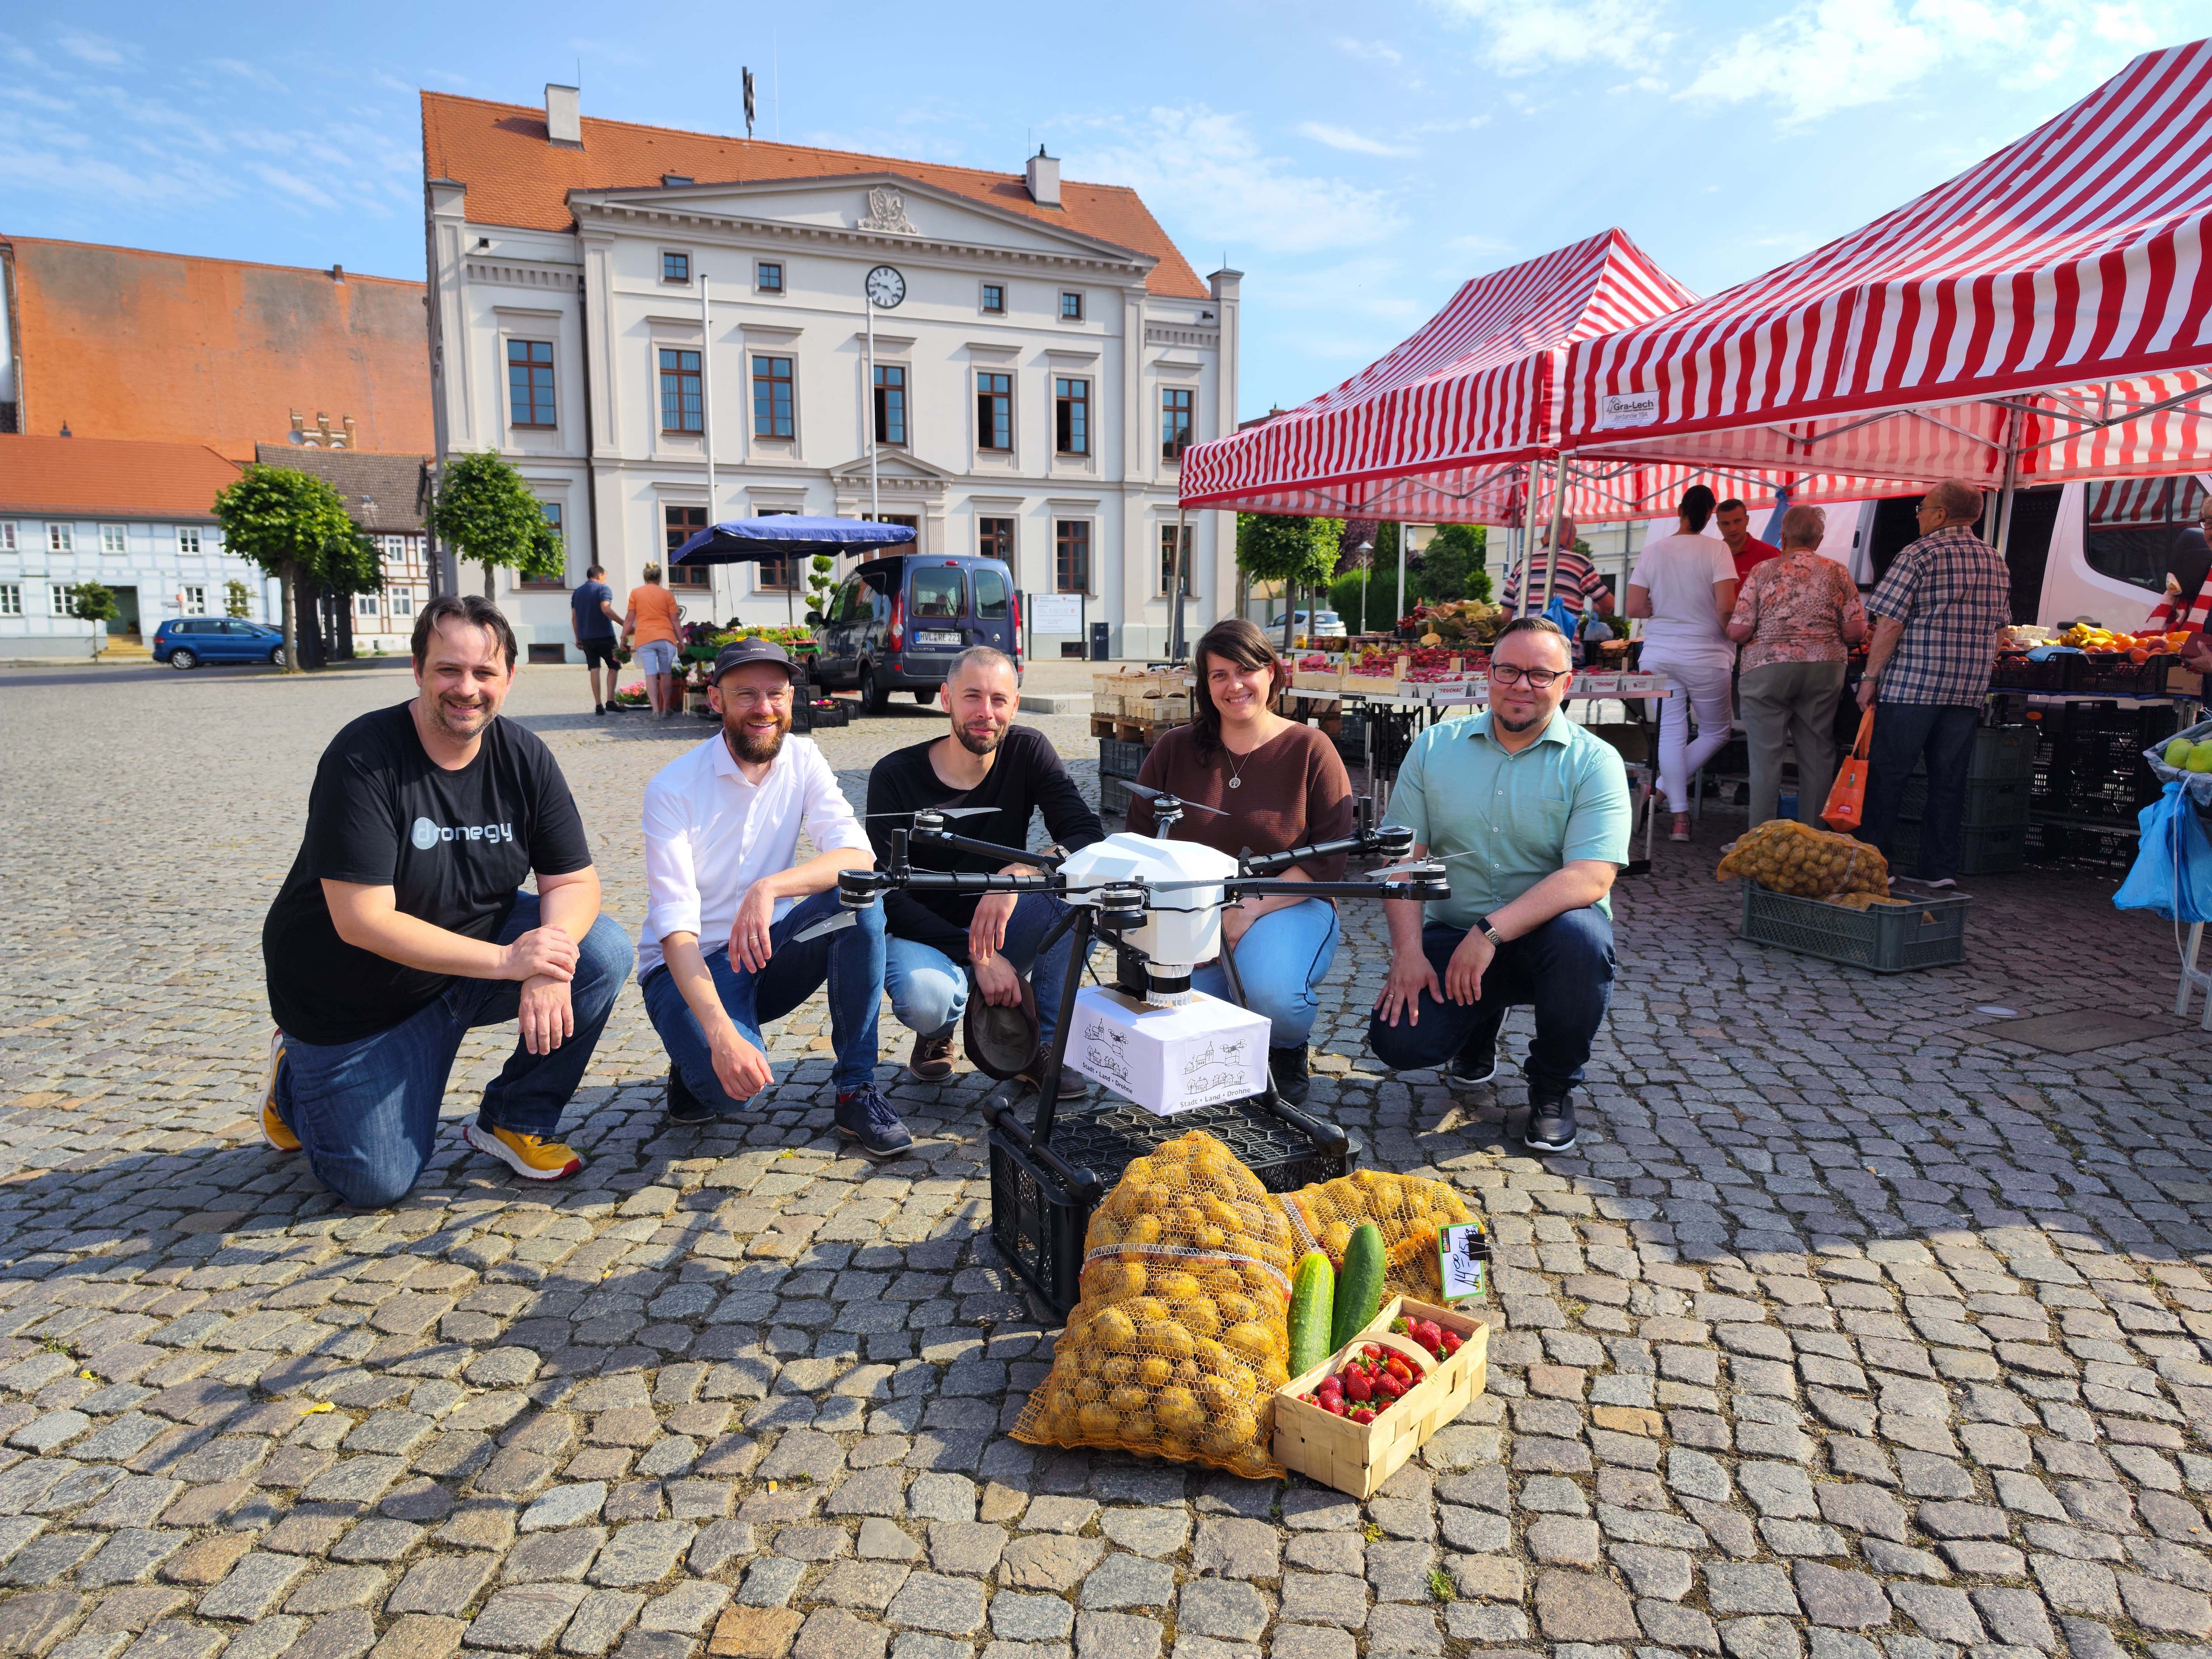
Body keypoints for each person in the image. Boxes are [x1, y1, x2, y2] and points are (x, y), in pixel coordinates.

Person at [259, 595, 634, 1206]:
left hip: (471, 955)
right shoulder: (363, 758)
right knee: (376, 1182)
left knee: (601, 949)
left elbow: (573, 881)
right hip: (358, 998)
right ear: (417, 670)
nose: (467, 689)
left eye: (485, 672)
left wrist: (548, 962)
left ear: (509, 678)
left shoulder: (523, 755)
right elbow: (362, 920)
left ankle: (517, 1119)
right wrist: (513, 964)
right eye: (448, 670)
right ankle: (294, 1082)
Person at [1368, 616, 1630, 1154]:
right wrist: (1409, 952)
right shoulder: (1435, 748)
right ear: (1487, 674)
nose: (1521, 685)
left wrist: (1489, 933)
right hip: (1454, 930)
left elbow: (1591, 875)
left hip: (1547, 942)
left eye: (1540, 674)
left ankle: (1554, 1086)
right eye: (1508, 670)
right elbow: (1403, 858)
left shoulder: (1595, 762)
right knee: (1399, 1042)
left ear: (1566, 683)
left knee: (1584, 940)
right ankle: (1480, 1019)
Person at [637, 637, 907, 1155]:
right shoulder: (673, 789)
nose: (764, 709)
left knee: (860, 902)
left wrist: (771, 888)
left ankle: (856, 1089)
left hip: (767, 948)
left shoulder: (803, 758)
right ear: (715, 700)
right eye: (746, 696)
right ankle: (693, 1067)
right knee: (727, 1094)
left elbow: (858, 856)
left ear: (791, 698)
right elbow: (675, 934)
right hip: (687, 969)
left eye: (776, 695)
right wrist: (720, 1036)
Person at [1128, 619, 1354, 1106]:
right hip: (1193, 910)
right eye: (1218, 675)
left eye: (1246, 670)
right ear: (1205, 686)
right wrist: (1175, 921)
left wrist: (1248, 910)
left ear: (1272, 673)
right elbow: (1140, 842)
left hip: (1289, 901)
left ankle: (1286, 1048)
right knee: (1174, 1008)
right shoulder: (1175, 750)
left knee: (1269, 996)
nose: (1234, 686)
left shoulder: (1311, 749)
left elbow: (1332, 858)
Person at [866, 647, 1103, 1089]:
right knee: (930, 1000)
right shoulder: (894, 775)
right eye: (972, 697)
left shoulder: (1028, 751)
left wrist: (1020, 873)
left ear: (1015, 704)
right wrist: (980, 956)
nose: (986, 713)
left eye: (999, 699)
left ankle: (1040, 1044)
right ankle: (937, 1034)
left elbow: (1086, 835)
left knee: (1087, 897)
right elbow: (889, 898)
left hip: (1004, 921)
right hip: (923, 929)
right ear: (946, 699)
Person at [1855, 479, 2012, 888]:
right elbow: (2000, 630)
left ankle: (1878, 866)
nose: (1919, 515)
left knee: (1890, 775)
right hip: (1966, 691)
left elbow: (1889, 623)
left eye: (1922, 508)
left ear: (1941, 514)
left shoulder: (1918, 554)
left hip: (1913, 686)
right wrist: (1977, 667)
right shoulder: (1995, 559)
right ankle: (1939, 870)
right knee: (1949, 781)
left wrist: (1869, 678)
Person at [1727, 505, 1868, 827]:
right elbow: (1855, 631)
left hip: (1767, 669)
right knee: (1818, 754)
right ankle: (1812, 838)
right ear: (1819, 540)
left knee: (1765, 757)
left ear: (1783, 536)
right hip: (1824, 669)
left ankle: (1761, 842)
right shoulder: (1838, 571)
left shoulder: (1763, 571)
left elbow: (1740, 631)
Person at [1627, 485, 1740, 842]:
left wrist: (1659, 609)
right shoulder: (1717, 549)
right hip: (1707, 653)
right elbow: (1726, 606)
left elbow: (1634, 608)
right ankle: (1663, 795)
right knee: (1717, 732)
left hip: (1659, 653)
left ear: (1680, 510)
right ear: (1710, 516)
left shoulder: (1654, 550)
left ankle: (1679, 819)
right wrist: (1734, 634)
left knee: (1671, 734)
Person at [1500, 517, 1615, 623]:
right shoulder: (1580, 564)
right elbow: (1608, 605)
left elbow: (1506, 615)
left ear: (1543, 540)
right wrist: (1597, 609)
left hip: (1523, 640)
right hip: (1559, 643)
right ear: (1572, 538)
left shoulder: (1521, 565)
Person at [623, 564, 684, 719]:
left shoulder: (636, 593)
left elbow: (630, 619)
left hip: (644, 638)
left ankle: (655, 711)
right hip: (666, 638)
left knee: (650, 674)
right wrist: (681, 641)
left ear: (645, 577)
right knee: (666, 673)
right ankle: (666, 708)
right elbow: (675, 621)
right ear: (659, 578)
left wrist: (623, 637)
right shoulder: (667, 594)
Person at [572, 563, 620, 716]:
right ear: (600, 576)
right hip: (605, 635)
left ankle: (599, 705)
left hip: (586, 637)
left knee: (594, 668)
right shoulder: (603, 589)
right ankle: (611, 701)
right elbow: (606, 608)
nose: (606, 580)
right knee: (614, 665)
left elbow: (574, 617)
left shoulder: (578, 592)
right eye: (605, 577)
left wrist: (578, 637)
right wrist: (624, 624)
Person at [1716, 498, 1783, 585]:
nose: (1733, 529)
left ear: (1747, 520)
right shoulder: (1713, 556)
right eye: (1726, 524)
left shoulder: (1770, 554)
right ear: (1719, 525)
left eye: (1737, 521)